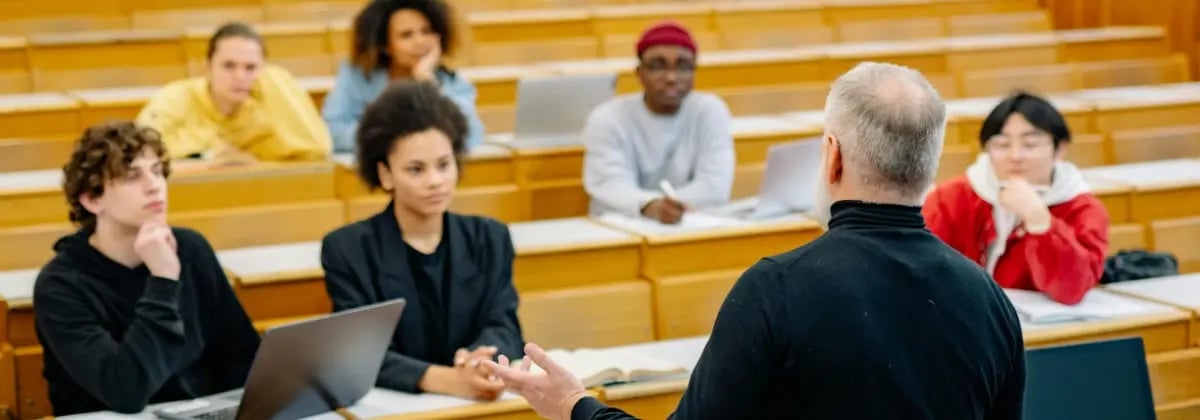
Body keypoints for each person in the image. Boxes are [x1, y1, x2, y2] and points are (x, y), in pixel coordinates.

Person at [487, 62, 1025, 420]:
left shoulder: (778, 287)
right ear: (928, 164)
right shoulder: (988, 298)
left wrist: (574, 404)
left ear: (832, 155)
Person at [33, 121, 261, 416]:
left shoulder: (191, 249)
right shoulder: (60, 286)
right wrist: (163, 279)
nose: (155, 186)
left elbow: (242, 353)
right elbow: (126, 391)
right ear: (92, 199)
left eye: (157, 171)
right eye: (132, 176)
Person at [320, 81, 523, 400]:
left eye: (444, 165)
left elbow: (505, 326)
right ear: (385, 174)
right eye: (416, 169)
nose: (435, 181)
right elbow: (359, 354)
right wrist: (447, 379)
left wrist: (479, 360)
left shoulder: (490, 238)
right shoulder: (347, 249)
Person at [923, 91, 1109, 305]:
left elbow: (1071, 290)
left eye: (1030, 145)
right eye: (1002, 145)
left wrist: (1040, 222)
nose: (1015, 156)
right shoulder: (952, 198)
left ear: (1060, 149)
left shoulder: (1083, 208)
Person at [582, 21, 735, 224]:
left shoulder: (709, 110)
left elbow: (714, 185)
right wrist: (650, 206)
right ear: (639, 72)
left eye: (682, 67)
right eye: (657, 66)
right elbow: (609, 185)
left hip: (693, 224)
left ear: (694, 72)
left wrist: (671, 208)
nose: (671, 77)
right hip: (623, 226)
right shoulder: (607, 118)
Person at [136, 22, 332, 164]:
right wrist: (211, 154)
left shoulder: (264, 111)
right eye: (229, 66)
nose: (239, 76)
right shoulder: (176, 98)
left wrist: (275, 77)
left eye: (250, 68)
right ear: (208, 67)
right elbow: (138, 152)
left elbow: (316, 151)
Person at [322, 0, 485, 153]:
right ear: (385, 46)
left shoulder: (448, 80)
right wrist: (398, 141)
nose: (419, 41)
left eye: (426, 31)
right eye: (406, 35)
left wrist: (427, 81)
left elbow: (470, 136)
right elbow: (332, 131)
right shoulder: (358, 75)